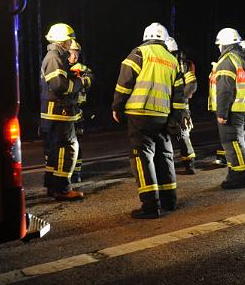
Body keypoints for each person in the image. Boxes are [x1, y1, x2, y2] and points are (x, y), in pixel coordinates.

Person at [112, 22, 186, 218]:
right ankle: (169, 200)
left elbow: (124, 84)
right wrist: (175, 119)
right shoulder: (172, 60)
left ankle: (151, 206)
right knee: (164, 156)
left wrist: (117, 107)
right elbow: (180, 96)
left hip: (139, 115)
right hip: (162, 116)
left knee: (142, 158)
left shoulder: (138, 54)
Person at [40, 23, 84, 201]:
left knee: (56, 150)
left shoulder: (55, 57)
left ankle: (52, 186)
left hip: (56, 112)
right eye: (68, 40)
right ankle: (63, 189)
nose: (70, 43)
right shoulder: (54, 57)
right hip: (60, 112)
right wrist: (79, 83)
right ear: (62, 41)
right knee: (68, 148)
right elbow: (59, 85)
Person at [210, 27, 245, 189]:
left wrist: (222, 113)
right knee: (239, 142)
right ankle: (237, 173)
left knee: (232, 142)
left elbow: (225, 90)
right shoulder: (243, 58)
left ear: (224, 44)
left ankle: (239, 178)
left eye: (219, 45)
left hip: (233, 109)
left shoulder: (228, 61)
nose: (218, 48)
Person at [165, 36, 198, 174]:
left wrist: (181, 98)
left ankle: (189, 163)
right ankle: (183, 164)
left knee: (182, 135)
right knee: (180, 136)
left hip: (177, 106)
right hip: (167, 105)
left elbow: (192, 84)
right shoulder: (170, 62)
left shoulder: (181, 64)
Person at [68, 40, 94, 184]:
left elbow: (90, 80)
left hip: (77, 111)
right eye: (72, 52)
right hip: (64, 111)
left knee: (76, 143)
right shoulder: (60, 66)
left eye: (77, 53)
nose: (75, 56)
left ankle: (76, 173)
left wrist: (80, 81)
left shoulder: (82, 68)